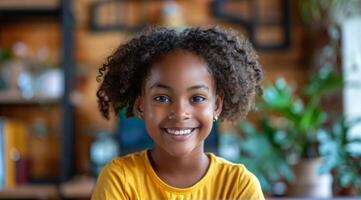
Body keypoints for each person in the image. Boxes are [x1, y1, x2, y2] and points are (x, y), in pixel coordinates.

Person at [91, 26, 264, 200]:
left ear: (216, 106)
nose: (180, 113)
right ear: (141, 106)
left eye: (196, 98)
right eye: (162, 98)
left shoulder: (238, 186)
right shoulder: (119, 180)